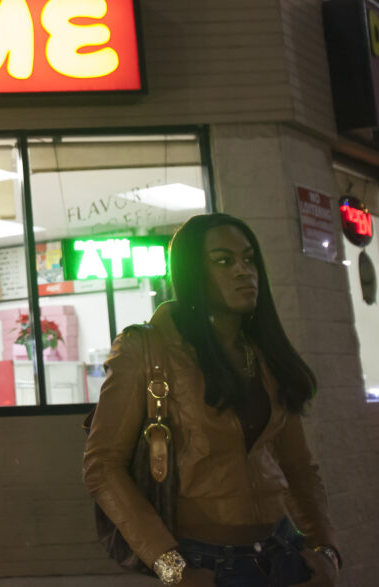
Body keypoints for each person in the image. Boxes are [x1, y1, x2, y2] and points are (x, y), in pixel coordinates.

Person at [83, 213, 341, 586]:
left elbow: (299, 465)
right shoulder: (148, 348)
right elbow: (102, 465)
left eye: (248, 259)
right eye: (223, 261)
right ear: (191, 272)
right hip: (207, 564)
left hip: (285, 553)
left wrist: (326, 549)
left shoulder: (264, 355)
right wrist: (172, 568)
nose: (242, 270)